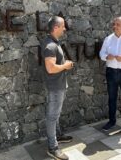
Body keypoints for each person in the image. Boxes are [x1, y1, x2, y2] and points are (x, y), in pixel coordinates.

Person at [41, 16, 74, 160]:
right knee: (52, 116)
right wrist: (66, 65)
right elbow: (51, 68)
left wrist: (63, 64)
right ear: (56, 28)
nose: (65, 29)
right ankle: (52, 147)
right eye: (63, 26)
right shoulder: (50, 46)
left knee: (56, 114)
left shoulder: (53, 43)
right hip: (55, 87)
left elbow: (54, 64)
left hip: (58, 85)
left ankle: (58, 135)